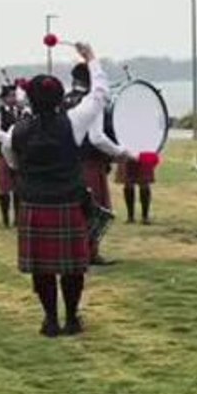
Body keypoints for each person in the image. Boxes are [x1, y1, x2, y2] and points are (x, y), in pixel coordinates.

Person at [1, 42, 136, 337]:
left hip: (34, 206)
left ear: (30, 100)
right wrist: (91, 58)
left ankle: (50, 320)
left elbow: (12, 161)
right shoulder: (73, 122)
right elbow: (99, 94)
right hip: (67, 204)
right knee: (73, 268)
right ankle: (72, 319)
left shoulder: (15, 132)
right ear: (59, 97)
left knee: (43, 269)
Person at [66, 61, 132, 264]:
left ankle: (74, 251)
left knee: (74, 210)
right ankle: (89, 253)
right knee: (95, 210)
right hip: (90, 162)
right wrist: (120, 152)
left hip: (68, 164)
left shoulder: (63, 100)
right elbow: (97, 138)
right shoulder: (92, 102)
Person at [0, 83, 23, 227]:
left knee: (19, 188)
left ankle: (18, 219)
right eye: (10, 96)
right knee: (4, 188)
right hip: (3, 153)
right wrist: (10, 138)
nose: (13, 98)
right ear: (4, 98)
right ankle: (5, 218)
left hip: (19, 153)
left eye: (15, 95)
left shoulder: (21, 111)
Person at [115, 151, 155, 224]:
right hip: (127, 152)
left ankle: (145, 216)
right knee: (128, 183)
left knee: (144, 183)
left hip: (144, 153)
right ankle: (130, 216)